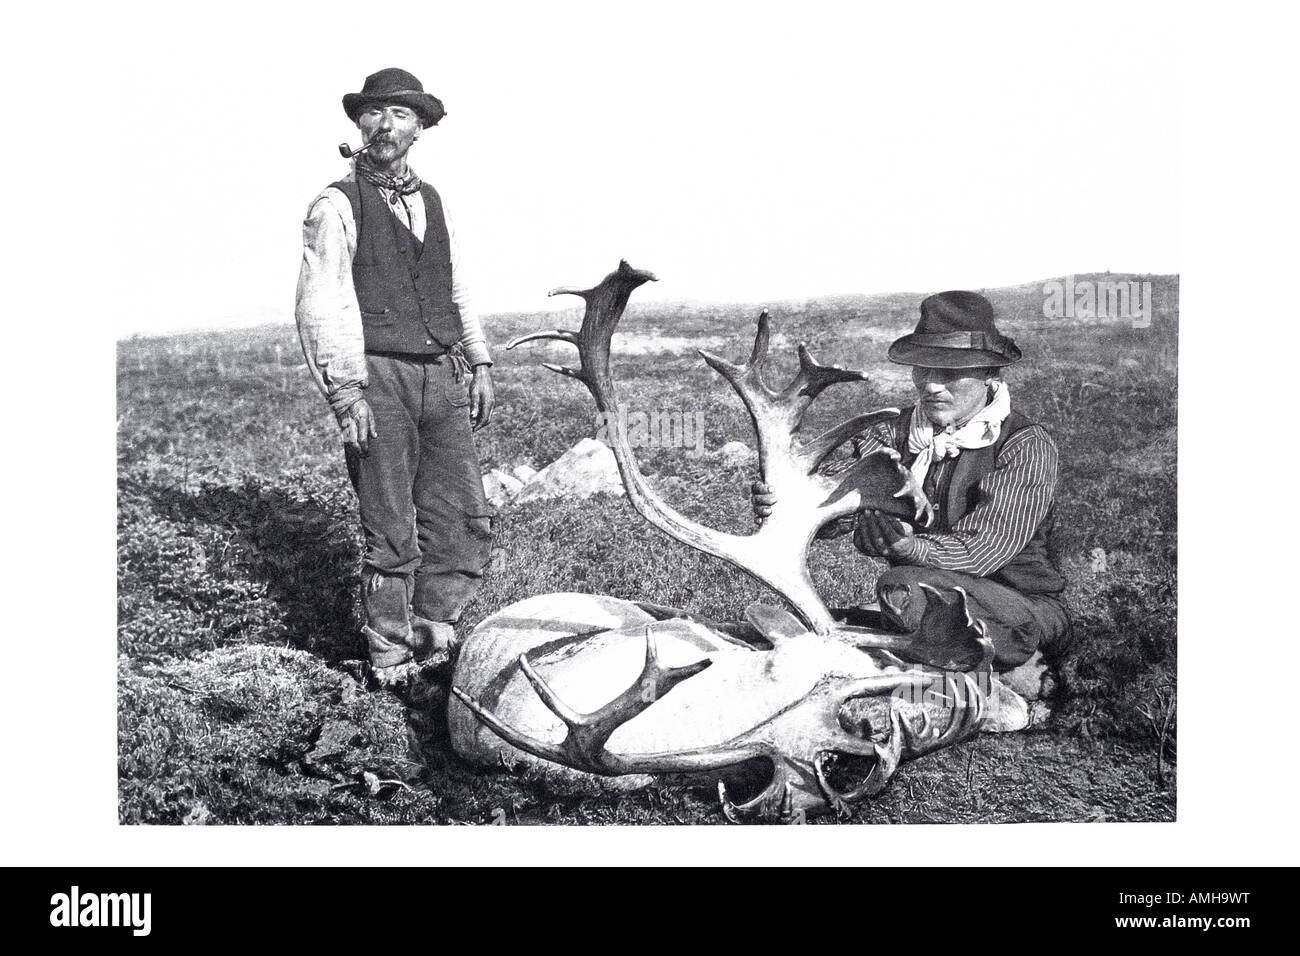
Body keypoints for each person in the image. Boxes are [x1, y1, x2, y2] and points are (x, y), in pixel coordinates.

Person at [295, 67, 496, 673]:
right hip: (376, 375)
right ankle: (388, 654)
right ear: (360, 122)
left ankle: (435, 631)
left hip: (442, 371)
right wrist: (346, 391)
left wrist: (479, 359)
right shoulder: (335, 204)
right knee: (388, 521)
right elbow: (321, 301)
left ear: (420, 128)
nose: (386, 126)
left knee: (462, 514)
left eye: (401, 115)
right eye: (376, 113)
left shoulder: (432, 200)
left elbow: (455, 285)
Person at [753, 291, 1069, 670]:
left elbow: (983, 551)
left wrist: (908, 547)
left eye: (950, 373)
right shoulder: (894, 432)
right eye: (923, 370)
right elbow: (840, 506)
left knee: (901, 589)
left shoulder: (1025, 445)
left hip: (1020, 606)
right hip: (926, 591)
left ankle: (1011, 665)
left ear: (990, 375)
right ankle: (936, 656)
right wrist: (792, 505)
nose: (932, 386)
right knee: (904, 593)